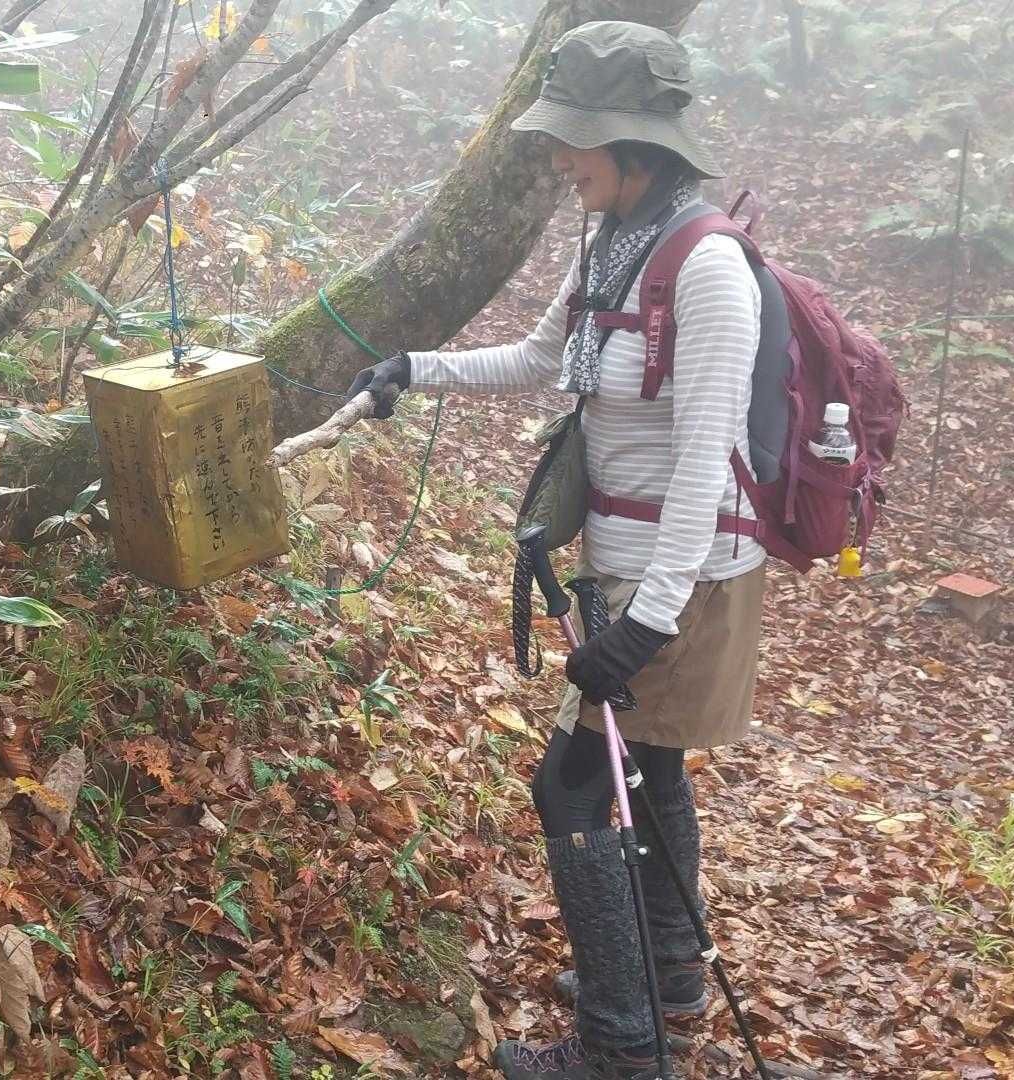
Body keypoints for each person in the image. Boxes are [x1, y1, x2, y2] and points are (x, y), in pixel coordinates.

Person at [346, 21, 768, 1080]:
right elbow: (542, 358)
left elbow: (706, 460)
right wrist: (413, 369)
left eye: (575, 139)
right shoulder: (612, 241)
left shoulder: (709, 268)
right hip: (628, 571)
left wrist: (646, 626)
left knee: (572, 790)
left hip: (684, 582)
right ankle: (668, 974)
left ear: (634, 142)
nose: (559, 157)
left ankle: (622, 1046)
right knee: (649, 764)